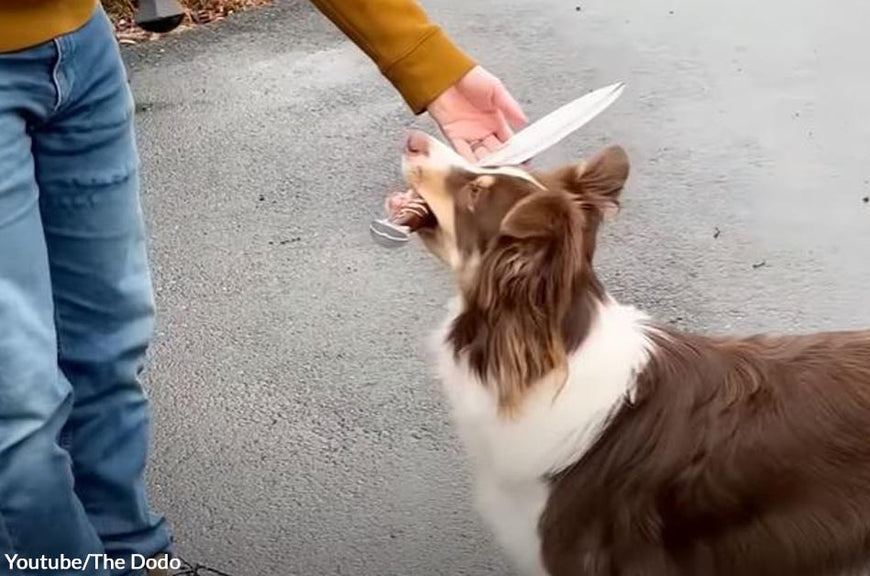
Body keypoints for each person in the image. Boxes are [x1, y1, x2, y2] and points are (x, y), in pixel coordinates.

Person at [0, 1, 526, 574]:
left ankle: (138, 559)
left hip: (80, 49)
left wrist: (430, 65)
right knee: (18, 407)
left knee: (108, 350)